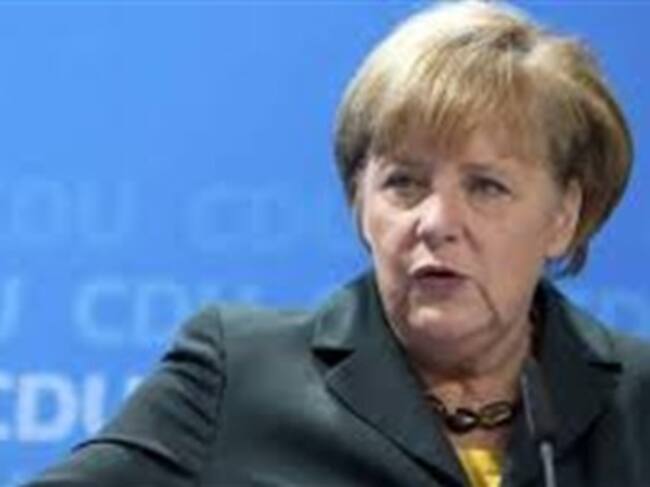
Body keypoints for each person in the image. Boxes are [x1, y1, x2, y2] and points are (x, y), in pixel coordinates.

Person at [25, 1, 649, 486]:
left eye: (486, 186)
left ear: (564, 216)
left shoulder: (638, 403)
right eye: (404, 183)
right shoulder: (237, 378)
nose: (436, 221)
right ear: (359, 202)